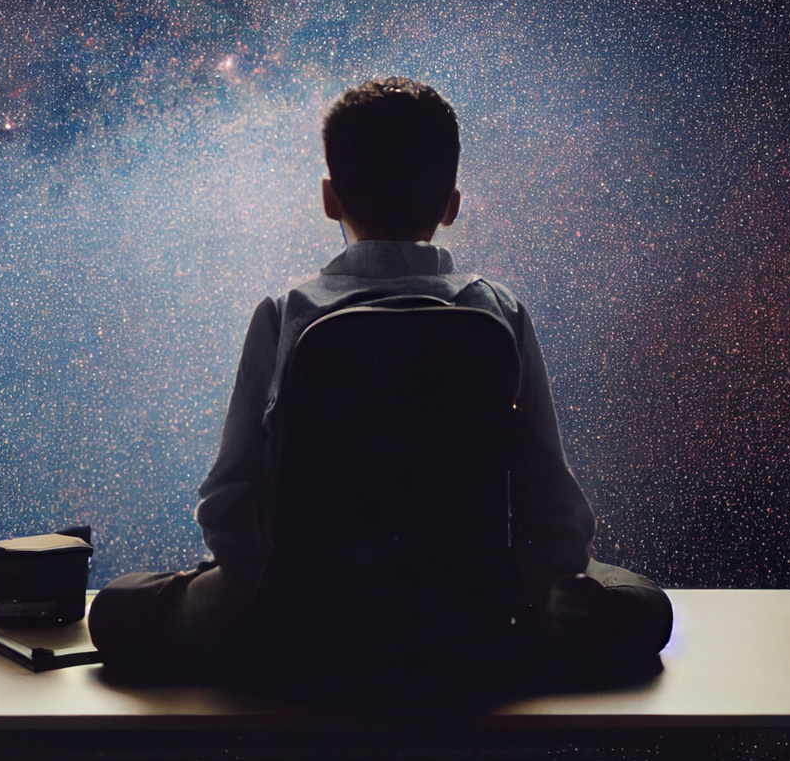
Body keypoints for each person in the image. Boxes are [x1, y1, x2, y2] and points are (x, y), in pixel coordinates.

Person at [88, 77, 674, 688]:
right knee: (640, 605)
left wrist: (254, 601)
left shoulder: (286, 314)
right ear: (452, 202)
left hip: (306, 632)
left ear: (329, 197)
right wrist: (537, 603)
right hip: (468, 631)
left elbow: (228, 502)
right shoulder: (500, 312)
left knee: (120, 608)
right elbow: (552, 508)